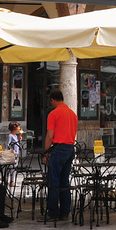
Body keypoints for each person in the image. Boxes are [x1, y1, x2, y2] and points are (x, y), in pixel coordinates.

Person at [45, 89, 78, 221]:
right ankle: (65, 211)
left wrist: (46, 151)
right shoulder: (72, 114)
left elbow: (49, 135)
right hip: (70, 148)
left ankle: (52, 212)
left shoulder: (53, 114)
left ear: (53, 100)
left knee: (54, 181)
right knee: (65, 181)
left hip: (58, 149)